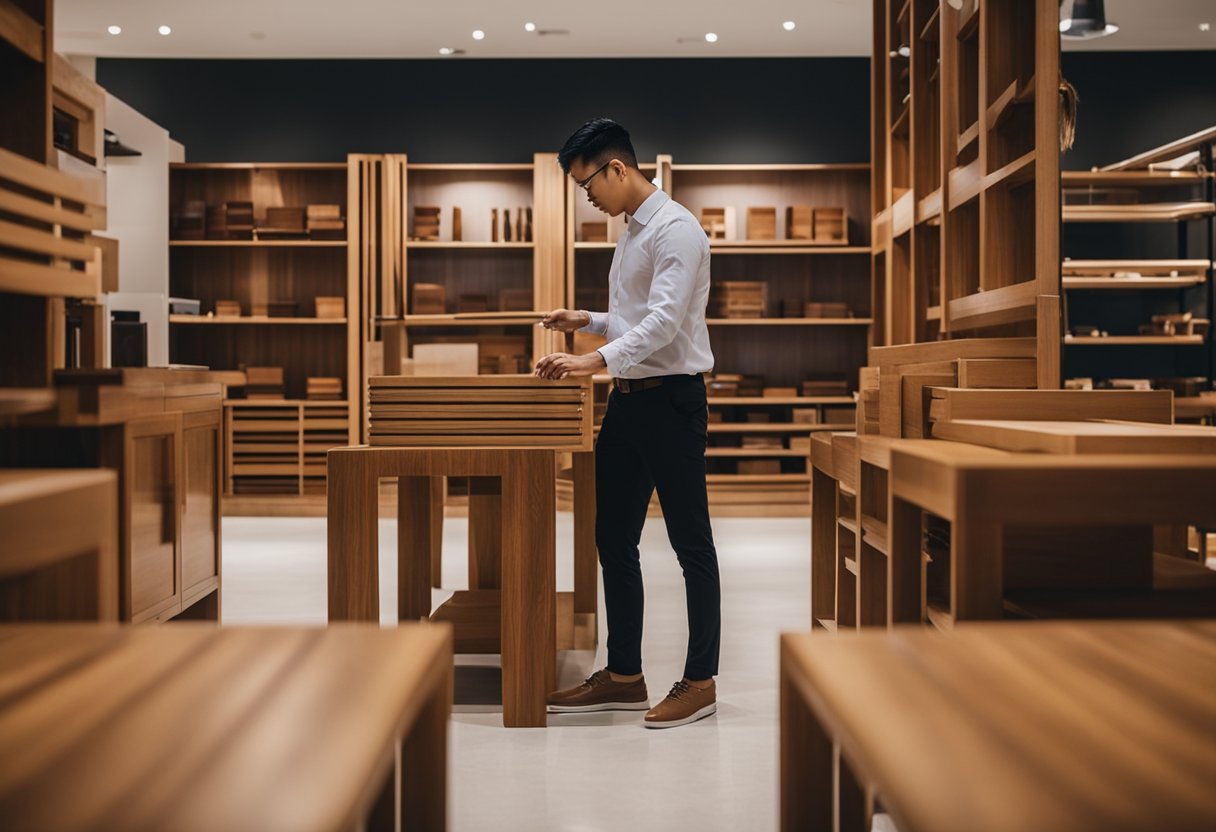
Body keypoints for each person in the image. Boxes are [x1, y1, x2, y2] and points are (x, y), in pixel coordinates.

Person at [535, 118, 720, 729]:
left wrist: (590, 358)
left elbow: (665, 325)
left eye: (589, 184)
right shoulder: (634, 232)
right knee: (613, 538)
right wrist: (586, 317)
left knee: (691, 544)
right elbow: (635, 316)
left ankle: (700, 680)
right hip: (630, 403)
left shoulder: (676, 231)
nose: (588, 198)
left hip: (672, 404)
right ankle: (623, 675)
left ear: (618, 168)